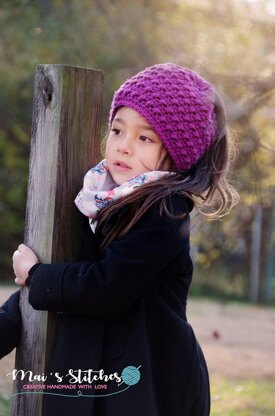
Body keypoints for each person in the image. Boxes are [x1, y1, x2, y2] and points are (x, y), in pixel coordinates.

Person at [0, 63, 238, 416]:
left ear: (177, 154)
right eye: (117, 130)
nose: (123, 147)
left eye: (144, 138)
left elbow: (106, 288)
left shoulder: (163, 213)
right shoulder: (98, 199)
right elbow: (73, 267)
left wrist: (37, 277)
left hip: (149, 383)